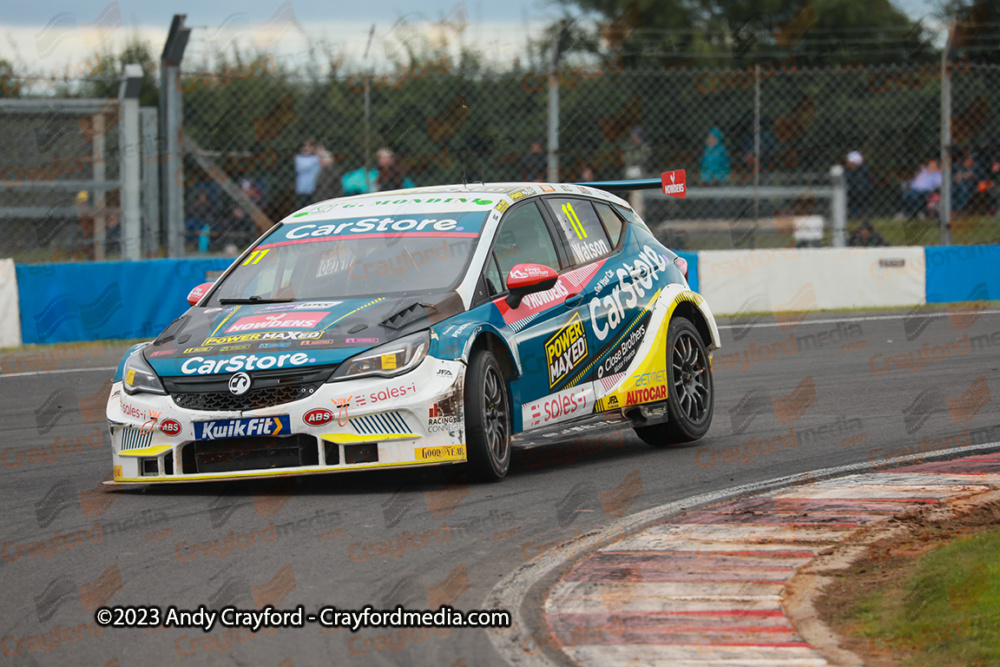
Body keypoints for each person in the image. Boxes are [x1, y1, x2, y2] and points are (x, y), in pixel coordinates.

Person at [845, 151, 872, 224]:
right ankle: (852, 215)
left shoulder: (863, 171)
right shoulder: (846, 172)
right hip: (850, 193)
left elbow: (866, 185)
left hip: (860, 193)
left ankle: (862, 215)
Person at [294, 138, 322, 209]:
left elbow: (329, 161)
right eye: (306, 146)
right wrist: (318, 157)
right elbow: (305, 167)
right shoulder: (299, 158)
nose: (307, 148)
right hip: (303, 188)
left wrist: (322, 152)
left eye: (310, 146)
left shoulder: (317, 158)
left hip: (315, 188)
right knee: (303, 207)